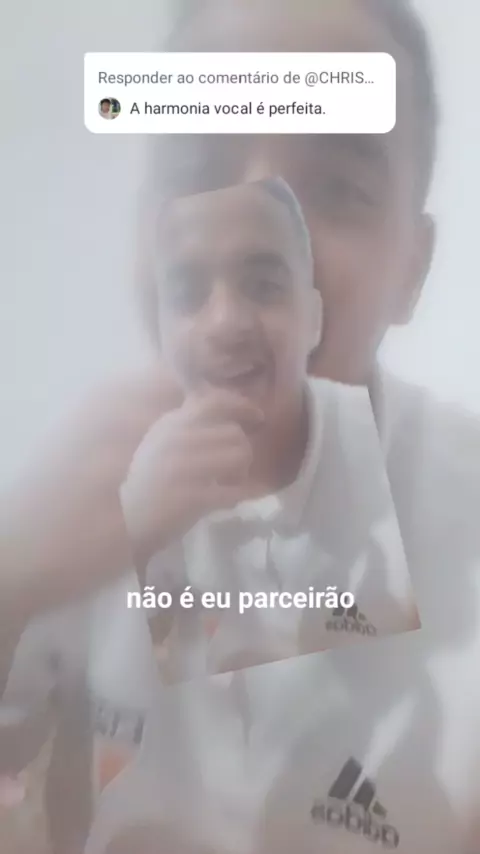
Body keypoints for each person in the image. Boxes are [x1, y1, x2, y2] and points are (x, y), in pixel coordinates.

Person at [1, 0, 479, 852]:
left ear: (412, 267)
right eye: (197, 167)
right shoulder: (55, 490)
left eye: (336, 190)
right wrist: (13, 581)